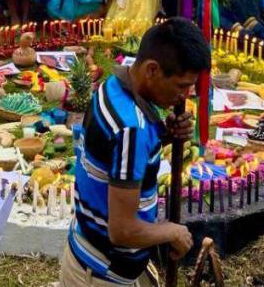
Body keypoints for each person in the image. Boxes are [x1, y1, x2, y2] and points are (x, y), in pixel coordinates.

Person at [62, 18, 207, 285]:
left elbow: (113, 156)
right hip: (101, 272)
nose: (185, 95)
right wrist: (171, 231)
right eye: (181, 86)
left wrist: (162, 135)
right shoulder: (132, 130)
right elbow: (123, 231)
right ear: (152, 69)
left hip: (88, 252)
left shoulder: (114, 86)